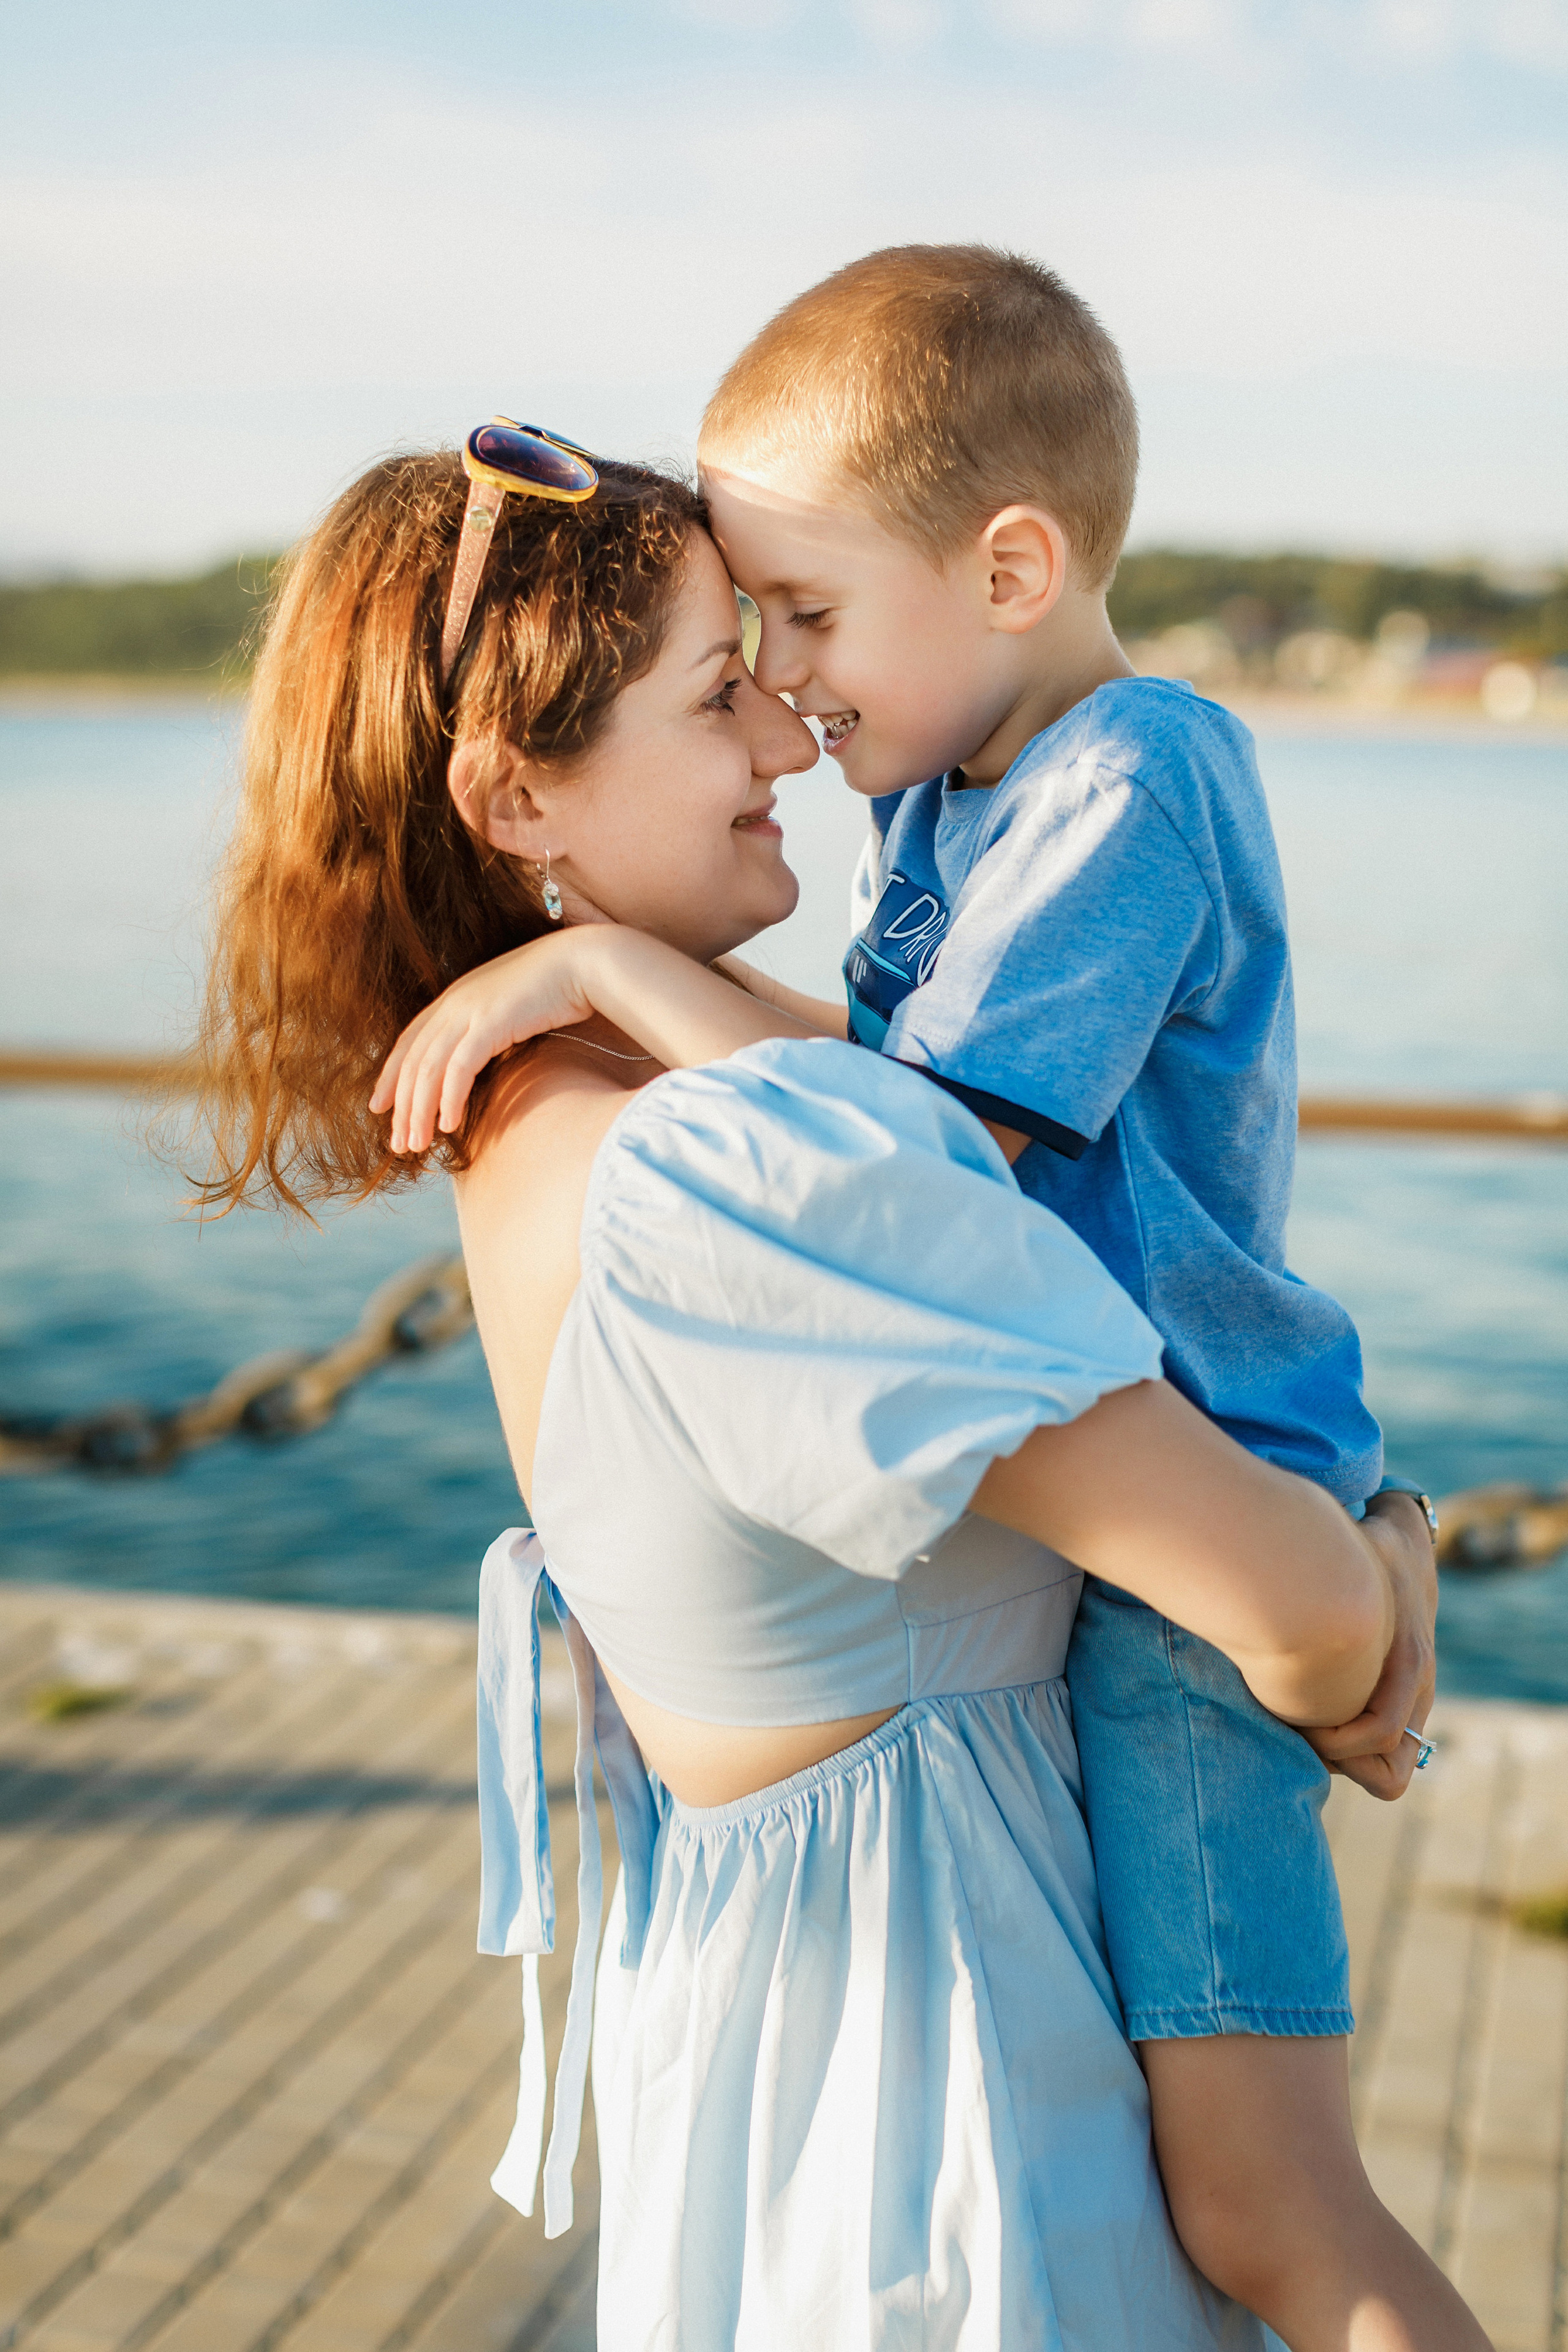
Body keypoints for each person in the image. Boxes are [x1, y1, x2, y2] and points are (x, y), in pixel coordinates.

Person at [194, 435, 1431, 2350]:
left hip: (782, 2068)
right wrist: (1387, 1550)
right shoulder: (728, 1172)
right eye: (720, 692)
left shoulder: (552, 1120)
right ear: (516, 792)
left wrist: (613, 972)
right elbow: (1310, 1620)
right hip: (968, 2109)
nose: (794, 735)